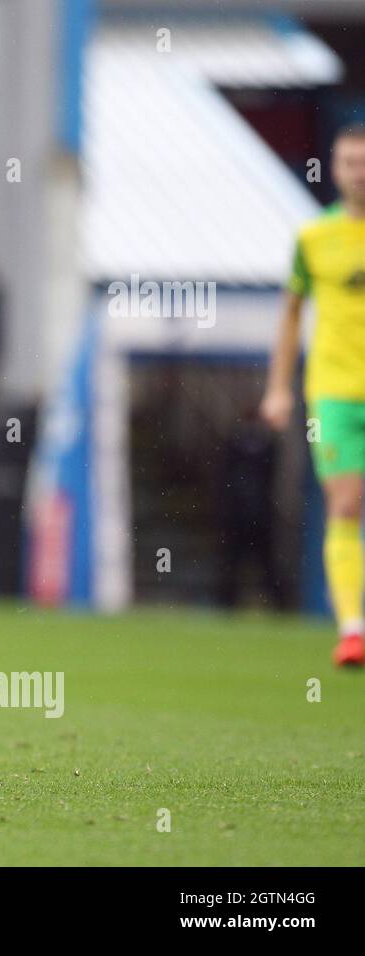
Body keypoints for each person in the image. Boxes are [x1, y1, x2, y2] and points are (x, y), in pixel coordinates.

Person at [261, 122, 365, 668]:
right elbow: (291, 314)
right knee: (345, 504)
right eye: (350, 162)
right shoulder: (313, 239)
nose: (359, 173)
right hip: (335, 393)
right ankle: (353, 629)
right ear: (334, 167)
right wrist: (278, 387)